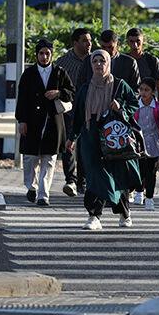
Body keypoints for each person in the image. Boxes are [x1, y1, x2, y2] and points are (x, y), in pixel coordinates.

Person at [69, 49, 142, 230]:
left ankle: (125, 213)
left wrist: (120, 105)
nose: (98, 64)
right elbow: (78, 116)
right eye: (95, 61)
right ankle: (94, 216)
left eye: (102, 61)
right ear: (90, 64)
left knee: (117, 173)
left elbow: (134, 104)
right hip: (90, 135)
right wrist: (71, 138)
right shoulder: (85, 89)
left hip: (113, 135)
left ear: (108, 63)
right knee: (94, 174)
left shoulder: (119, 85)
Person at [15, 39, 75, 206]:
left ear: (51, 54)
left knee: (49, 159)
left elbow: (72, 92)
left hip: (53, 121)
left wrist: (59, 93)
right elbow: (22, 99)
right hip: (32, 121)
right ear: (37, 54)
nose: (44, 57)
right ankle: (31, 187)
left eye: (47, 53)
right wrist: (22, 121)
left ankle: (43, 194)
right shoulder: (28, 74)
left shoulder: (60, 72)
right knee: (29, 158)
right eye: (41, 53)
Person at [126, 27, 159, 206]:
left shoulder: (151, 61)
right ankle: (136, 190)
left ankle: (146, 194)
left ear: (143, 41)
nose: (135, 45)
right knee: (134, 160)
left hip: (152, 118)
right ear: (126, 42)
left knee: (150, 164)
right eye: (131, 42)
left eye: (138, 42)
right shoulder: (124, 60)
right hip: (132, 112)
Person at [55, 28, 93, 197]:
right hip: (69, 109)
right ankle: (71, 179)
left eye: (90, 40)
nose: (89, 44)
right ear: (75, 43)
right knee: (69, 145)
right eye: (85, 40)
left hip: (89, 109)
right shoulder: (63, 62)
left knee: (85, 146)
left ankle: (82, 182)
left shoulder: (95, 61)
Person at [133, 77, 159, 211]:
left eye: (147, 90)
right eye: (141, 89)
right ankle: (139, 191)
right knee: (139, 168)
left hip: (153, 141)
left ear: (153, 91)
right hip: (138, 141)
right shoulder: (135, 105)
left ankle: (150, 198)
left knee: (151, 171)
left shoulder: (158, 107)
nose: (143, 93)